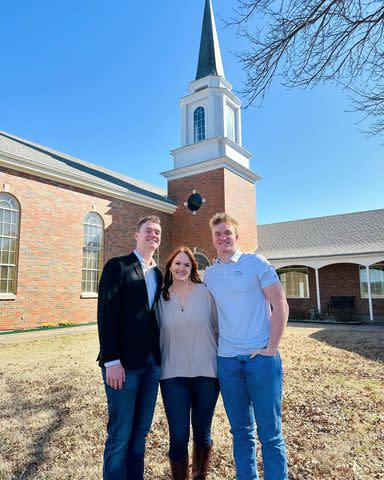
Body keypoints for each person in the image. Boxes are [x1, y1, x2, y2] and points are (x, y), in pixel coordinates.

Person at [204, 213, 289, 480]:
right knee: (240, 432)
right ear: (213, 239)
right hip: (227, 362)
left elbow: (280, 304)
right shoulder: (210, 275)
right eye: (218, 234)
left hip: (260, 359)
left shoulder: (256, 263)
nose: (223, 237)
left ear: (236, 237)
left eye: (227, 232)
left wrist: (271, 349)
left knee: (270, 433)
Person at [97, 215, 163, 480]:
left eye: (157, 232)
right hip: (122, 365)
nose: (153, 235)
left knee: (141, 433)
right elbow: (106, 313)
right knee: (120, 433)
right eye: (148, 230)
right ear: (136, 235)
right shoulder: (118, 266)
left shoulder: (158, 273)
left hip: (151, 365)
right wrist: (112, 360)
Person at [157, 246, 219, 480]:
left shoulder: (205, 293)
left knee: (202, 432)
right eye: (177, 263)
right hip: (173, 375)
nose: (181, 268)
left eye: (186, 264)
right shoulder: (160, 297)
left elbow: (217, 327)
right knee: (179, 436)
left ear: (192, 268)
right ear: (170, 267)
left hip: (207, 374)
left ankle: (199, 476)